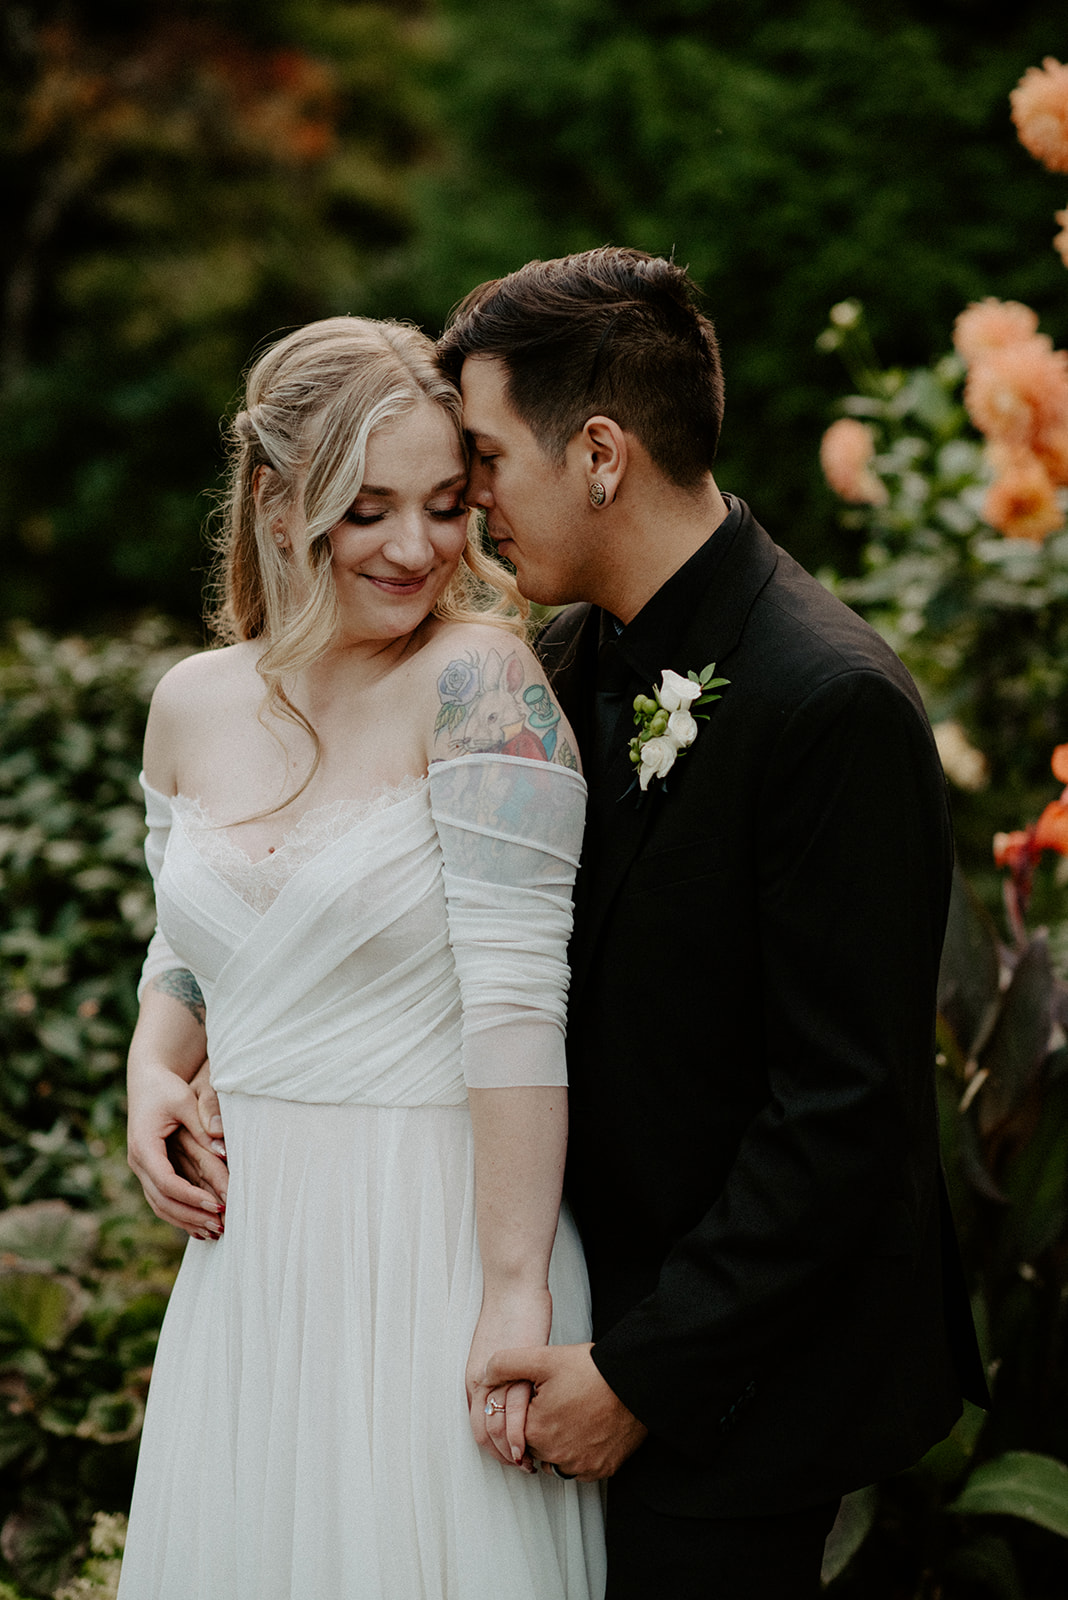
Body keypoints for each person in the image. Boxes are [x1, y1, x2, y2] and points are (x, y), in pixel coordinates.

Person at [429, 247, 989, 1598]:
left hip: (738, 1405)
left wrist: (641, 1376)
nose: (470, 501)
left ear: (600, 455)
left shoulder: (833, 703)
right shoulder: (554, 667)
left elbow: (844, 1113)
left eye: (488, 458)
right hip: (555, 1339)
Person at [118, 316, 605, 1600]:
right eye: (366, 508)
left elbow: (520, 1006)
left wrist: (514, 1288)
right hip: (251, 1268)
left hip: (432, 1240)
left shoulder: (481, 685)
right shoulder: (190, 704)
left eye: (445, 505)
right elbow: (190, 938)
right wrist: (154, 1069)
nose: (416, 548)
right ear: (279, 503)